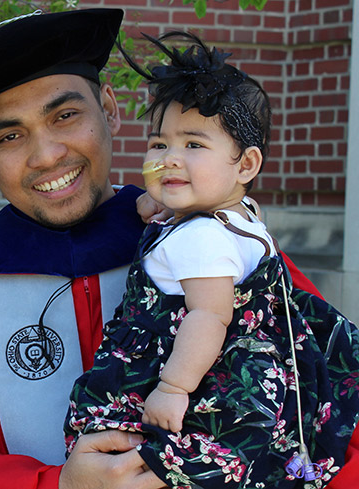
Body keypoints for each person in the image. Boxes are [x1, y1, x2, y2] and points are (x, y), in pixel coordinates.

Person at [0, 8, 359, 489]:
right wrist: (59, 485)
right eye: (10, 136)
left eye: (66, 115)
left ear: (110, 108)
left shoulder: (215, 243)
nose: (47, 155)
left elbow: (327, 414)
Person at [63, 32, 359, 488]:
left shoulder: (199, 238)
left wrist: (173, 389)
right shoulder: (241, 215)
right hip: (261, 375)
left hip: (191, 374)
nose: (169, 160)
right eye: (159, 145)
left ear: (246, 165)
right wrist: (159, 205)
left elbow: (208, 314)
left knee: (127, 449)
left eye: (193, 145)